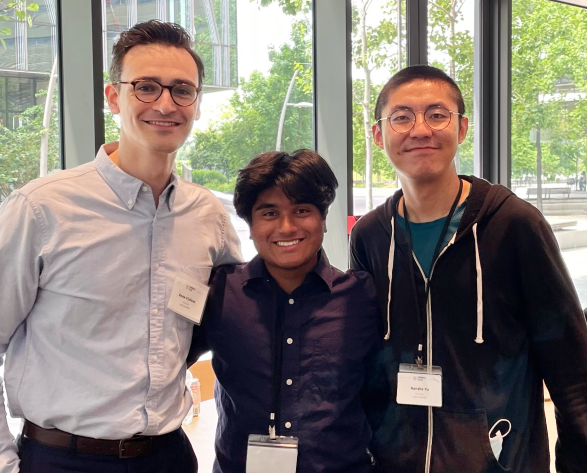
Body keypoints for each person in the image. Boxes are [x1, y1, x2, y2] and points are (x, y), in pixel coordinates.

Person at [0, 20, 242, 473]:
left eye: (182, 90)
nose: (166, 103)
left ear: (196, 104)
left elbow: (226, 323)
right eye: (146, 87)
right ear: (113, 96)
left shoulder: (209, 218)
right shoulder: (41, 209)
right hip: (60, 459)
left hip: (168, 457)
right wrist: (0, 462)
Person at [349, 65, 587, 472]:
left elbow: (573, 372)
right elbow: (364, 360)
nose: (420, 129)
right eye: (401, 116)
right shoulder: (371, 236)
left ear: (460, 129)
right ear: (378, 134)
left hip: (497, 459)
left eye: (437, 114)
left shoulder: (513, 225)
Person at [189, 150, 383, 473]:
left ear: (323, 220)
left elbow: (384, 398)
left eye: (302, 210)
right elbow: (166, 359)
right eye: (269, 213)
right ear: (250, 225)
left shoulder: (361, 297)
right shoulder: (220, 292)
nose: (287, 227)